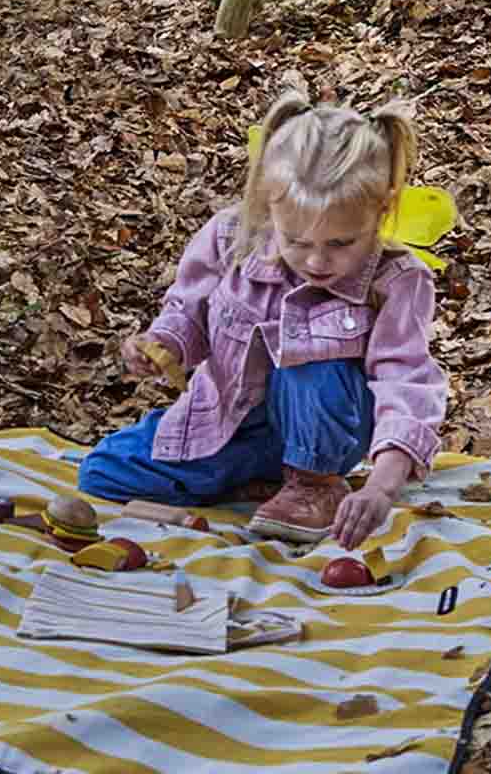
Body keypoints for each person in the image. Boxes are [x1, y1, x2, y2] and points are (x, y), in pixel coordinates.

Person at [79, 81, 447, 548]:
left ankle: (314, 481)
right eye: (296, 241)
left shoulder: (397, 280)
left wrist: (381, 487)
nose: (316, 262)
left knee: (309, 357)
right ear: (268, 204)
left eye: (340, 243)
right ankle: (261, 472)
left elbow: (406, 381)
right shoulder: (230, 237)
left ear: (382, 210)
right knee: (103, 473)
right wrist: (163, 344)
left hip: (330, 424)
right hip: (235, 416)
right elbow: (187, 311)